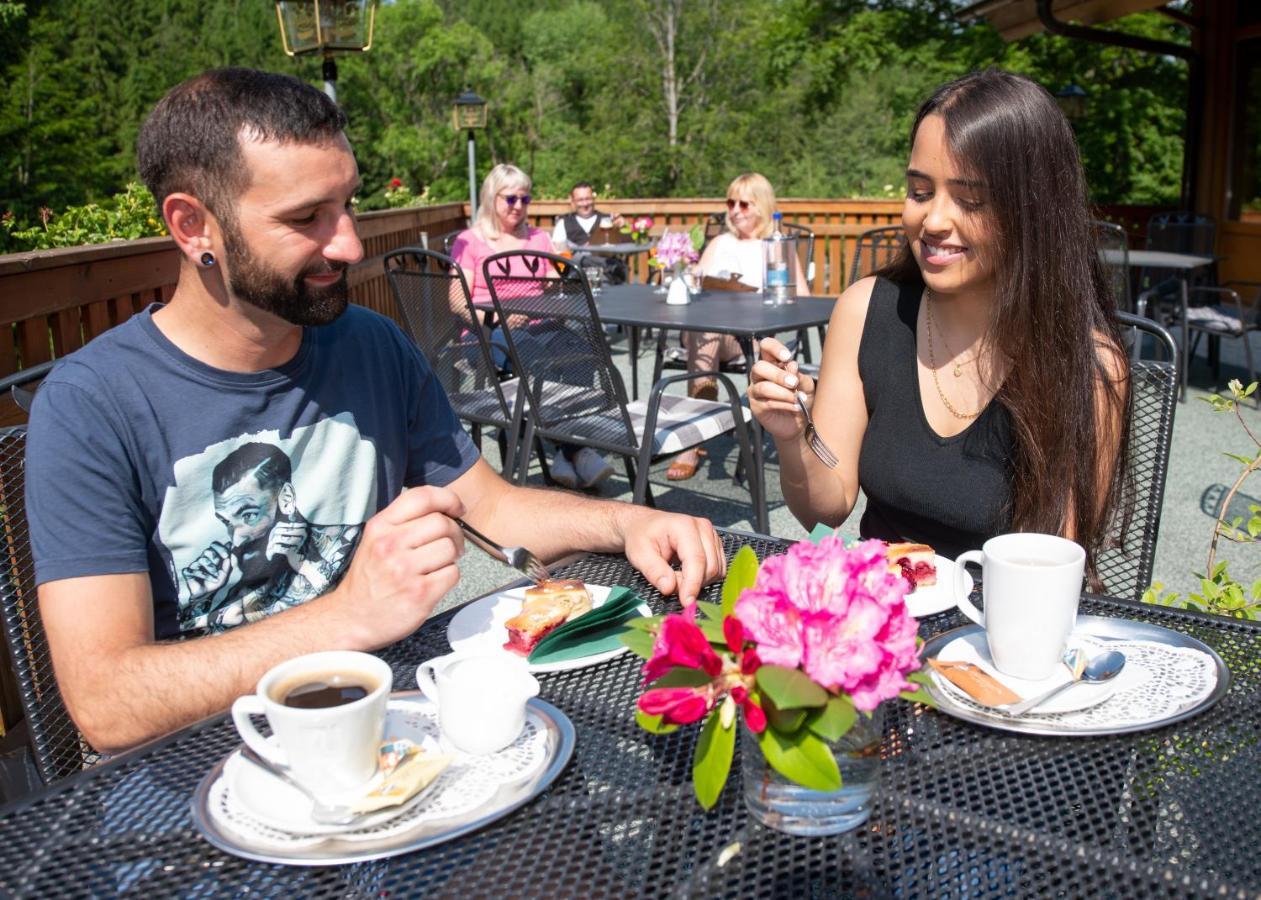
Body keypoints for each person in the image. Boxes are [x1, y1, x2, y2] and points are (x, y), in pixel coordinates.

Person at [25, 68, 726, 754]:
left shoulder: (368, 345)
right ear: (191, 226)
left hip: (397, 737)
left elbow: (491, 509)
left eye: (347, 205)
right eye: (305, 218)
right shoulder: (93, 405)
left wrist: (629, 519)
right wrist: (349, 614)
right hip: (208, 775)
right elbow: (105, 703)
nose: (351, 246)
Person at [748, 69, 1129, 569]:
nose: (933, 222)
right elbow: (825, 510)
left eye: (970, 200)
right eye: (921, 192)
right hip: (877, 623)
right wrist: (793, 435)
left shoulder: (1088, 365)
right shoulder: (866, 310)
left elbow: (1052, 570)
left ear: (1034, 211)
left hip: (995, 634)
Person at [450, 165, 616, 490]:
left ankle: (562, 451)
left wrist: (561, 282)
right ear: (491, 197)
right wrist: (498, 317)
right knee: (539, 363)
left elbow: (554, 283)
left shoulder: (539, 238)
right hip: (489, 329)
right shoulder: (469, 242)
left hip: (540, 322)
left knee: (584, 353)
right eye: (510, 198)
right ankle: (572, 449)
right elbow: (457, 301)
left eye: (525, 198)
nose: (518, 205)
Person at [666, 173, 808, 481]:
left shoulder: (775, 245)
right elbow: (695, 284)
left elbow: (804, 299)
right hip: (708, 332)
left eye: (744, 203)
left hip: (749, 338)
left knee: (708, 331)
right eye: (731, 202)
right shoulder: (719, 242)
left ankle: (693, 436)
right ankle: (703, 402)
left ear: (762, 206)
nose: (735, 210)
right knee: (706, 329)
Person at [549, 181, 624, 252]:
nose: (585, 204)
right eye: (580, 200)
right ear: (573, 202)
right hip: (575, 264)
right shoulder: (563, 223)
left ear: (594, 199)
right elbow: (559, 253)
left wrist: (622, 228)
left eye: (588, 199)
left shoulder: (608, 220)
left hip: (606, 264)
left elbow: (627, 245)